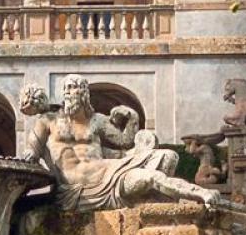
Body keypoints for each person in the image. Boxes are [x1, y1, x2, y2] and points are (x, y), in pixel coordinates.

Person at [23, 74, 225, 213]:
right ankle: (201, 195)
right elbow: (31, 151)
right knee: (152, 178)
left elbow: (125, 141)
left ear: (84, 93)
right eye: (66, 88)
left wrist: (131, 117)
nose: (68, 92)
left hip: (110, 175)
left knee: (167, 157)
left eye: (74, 88)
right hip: (75, 189)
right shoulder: (47, 121)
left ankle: (190, 196)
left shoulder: (97, 120)